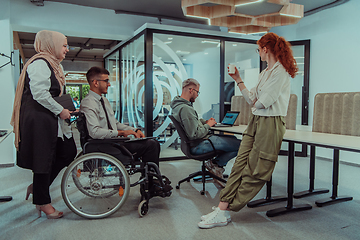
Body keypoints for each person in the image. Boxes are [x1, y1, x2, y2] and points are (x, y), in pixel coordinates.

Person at [198, 32, 298, 229]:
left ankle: (226, 208)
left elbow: (260, 102)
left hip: (270, 123)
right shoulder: (265, 73)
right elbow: (253, 100)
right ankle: (222, 208)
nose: (258, 52)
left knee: (257, 169)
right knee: (240, 164)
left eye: (258, 49)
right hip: (257, 120)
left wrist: (254, 101)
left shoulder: (281, 72)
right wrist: (238, 79)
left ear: (265, 49)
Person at [10, 30, 77, 219]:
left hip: (49, 117)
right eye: (64, 45)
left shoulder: (54, 65)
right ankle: (43, 202)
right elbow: (39, 93)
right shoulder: (40, 63)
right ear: (51, 44)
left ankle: (39, 188)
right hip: (39, 119)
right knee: (43, 159)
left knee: (67, 152)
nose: (67, 49)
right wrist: (60, 110)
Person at [80, 66, 172, 196]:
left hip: (113, 141)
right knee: (151, 145)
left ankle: (150, 182)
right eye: (106, 80)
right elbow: (94, 132)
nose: (109, 84)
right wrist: (122, 133)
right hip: (104, 145)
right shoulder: (89, 103)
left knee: (150, 142)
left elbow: (115, 124)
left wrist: (134, 130)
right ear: (95, 82)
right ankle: (150, 185)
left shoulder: (104, 100)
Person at [170, 78, 241, 187]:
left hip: (195, 144)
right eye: (197, 92)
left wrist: (205, 122)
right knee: (241, 144)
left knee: (233, 141)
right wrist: (209, 125)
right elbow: (195, 134)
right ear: (191, 90)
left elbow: (193, 122)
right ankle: (216, 165)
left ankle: (215, 165)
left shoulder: (177, 106)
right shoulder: (186, 109)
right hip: (200, 144)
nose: (198, 95)